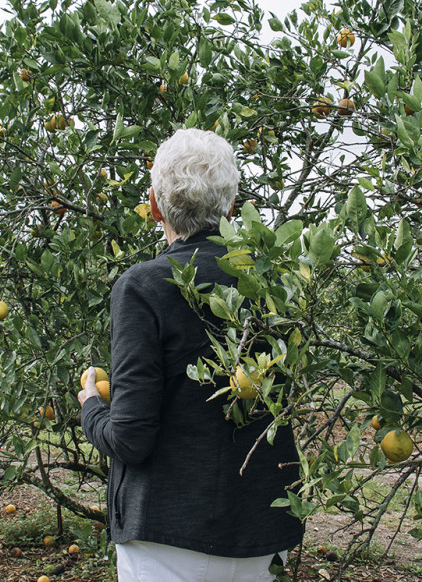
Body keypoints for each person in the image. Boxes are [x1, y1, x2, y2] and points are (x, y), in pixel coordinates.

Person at [78, 128, 304, 582]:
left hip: (168, 532)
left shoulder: (143, 287)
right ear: (231, 205)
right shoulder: (275, 283)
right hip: (259, 526)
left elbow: (130, 438)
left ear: (155, 205)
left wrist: (91, 409)